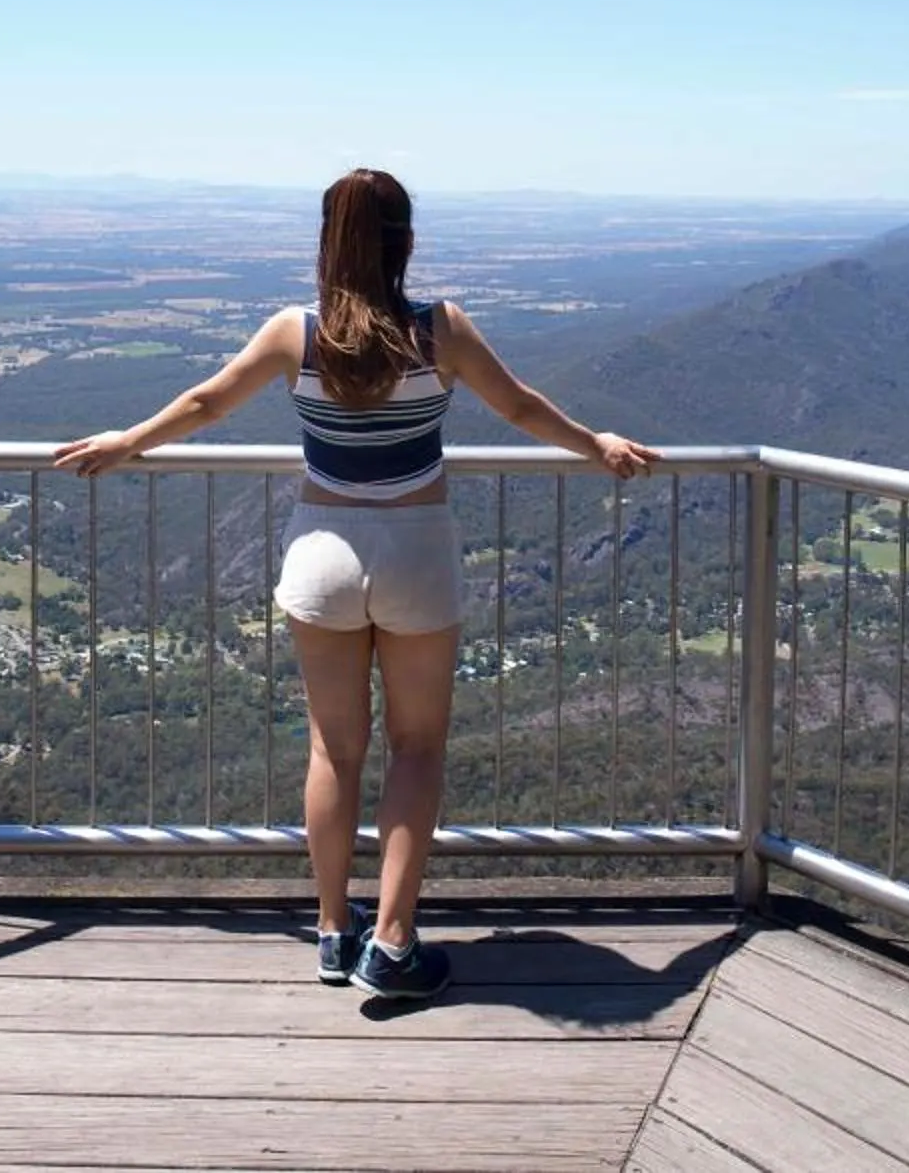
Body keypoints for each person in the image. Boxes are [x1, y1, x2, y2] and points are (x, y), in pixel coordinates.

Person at [54, 168, 654, 999]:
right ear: (407, 240)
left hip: (322, 554)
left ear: (326, 242)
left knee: (334, 749)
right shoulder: (440, 329)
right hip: (416, 551)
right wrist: (600, 446)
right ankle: (395, 942)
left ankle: (334, 931)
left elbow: (206, 402)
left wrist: (129, 443)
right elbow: (519, 408)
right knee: (417, 747)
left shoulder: (294, 334)